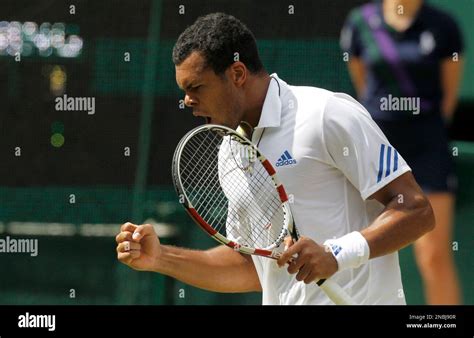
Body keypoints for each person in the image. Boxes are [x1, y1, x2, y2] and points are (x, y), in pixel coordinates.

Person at [116, 12, 435, 305]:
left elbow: (416, 209)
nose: (187, 101)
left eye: (196, 87)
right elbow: (252, 267)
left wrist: (336, 254)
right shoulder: (229, 150)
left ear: (237, 73)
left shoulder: (327, 114)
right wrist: (162, 258)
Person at [341, 0, 463, 304]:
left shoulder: (443, 25)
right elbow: (362, 82)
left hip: (428, 148)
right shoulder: (360, 22)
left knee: (433, 256)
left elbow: (448, 97)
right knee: (363, 251)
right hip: (377, 151)